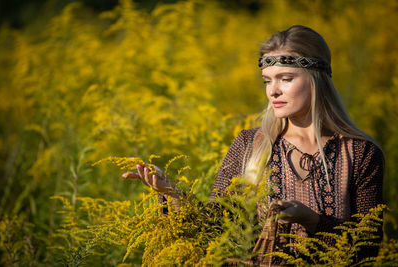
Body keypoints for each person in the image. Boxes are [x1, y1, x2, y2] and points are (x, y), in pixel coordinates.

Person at [122, 25, 384, 263]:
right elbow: (217, 227)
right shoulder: (250, 145)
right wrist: (172, 193)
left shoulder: (360, 153)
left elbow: (367, 249)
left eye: (286, 78)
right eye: (267, 80)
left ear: (317, 79)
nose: (273, 91)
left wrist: (313, 221)